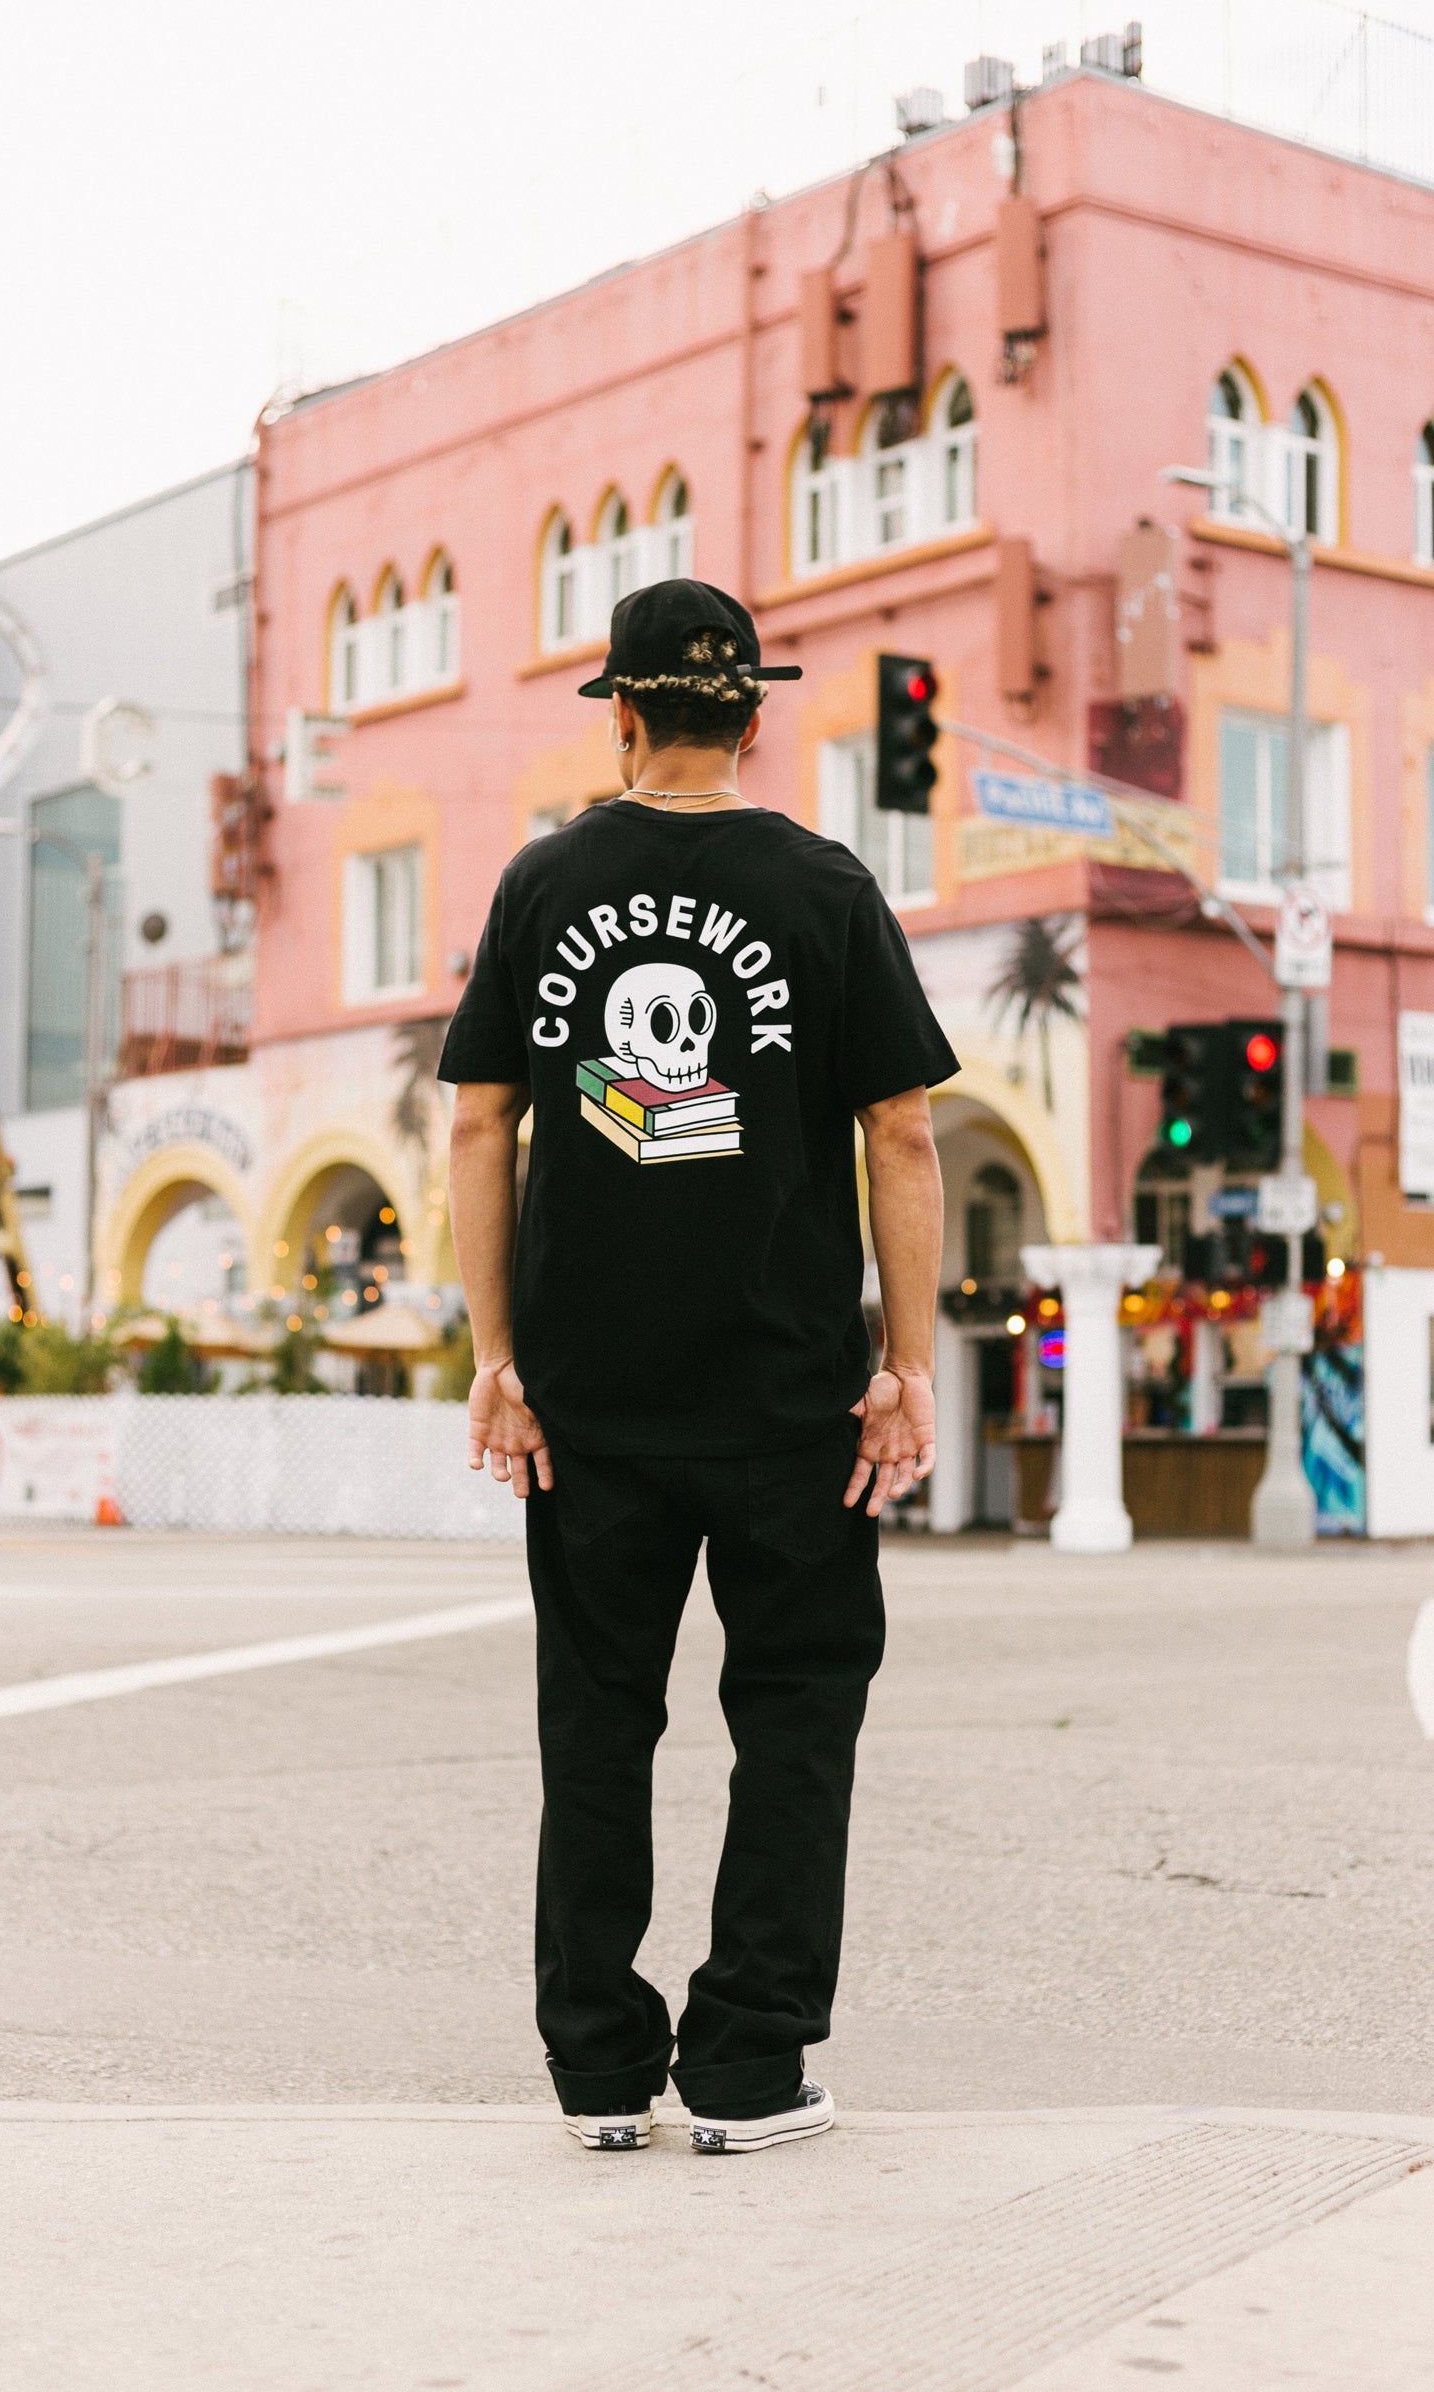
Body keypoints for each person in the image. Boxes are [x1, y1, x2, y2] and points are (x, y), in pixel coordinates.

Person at [440, 578, 955, 2155]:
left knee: (596, 1725)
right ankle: (746, 2070)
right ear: (753, 713)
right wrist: (907, 1368)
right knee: (795, 1718)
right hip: (790, 1401)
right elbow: (903, 1130)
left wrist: (497, 1360)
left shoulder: (545, 882)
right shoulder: (822, 885)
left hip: (589, 1404)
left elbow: (478, 1122)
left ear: (623, 711)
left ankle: (600, 2071)